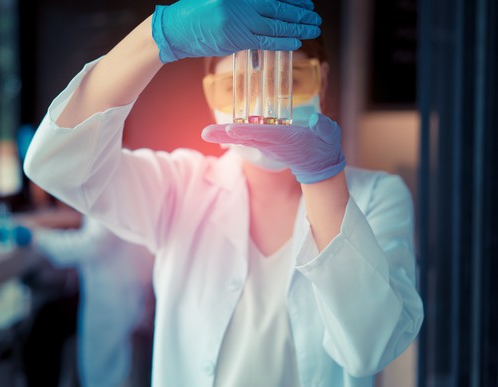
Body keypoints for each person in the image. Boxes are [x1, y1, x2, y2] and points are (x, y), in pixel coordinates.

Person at [24, 1, 424, 386]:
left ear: (323, 80)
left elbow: (371, 349)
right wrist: (158, 35)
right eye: (237, 86)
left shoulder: (376, 197)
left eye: (289, 79)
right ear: (209, 94)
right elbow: (57, 165)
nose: (264, 103)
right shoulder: (179, 186)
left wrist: (323, 180)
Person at [23, 215, 154, 387]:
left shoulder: (110, 189)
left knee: (108, 370)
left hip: (114, 294)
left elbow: (93, 244)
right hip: (128, 285)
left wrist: (38, 238)